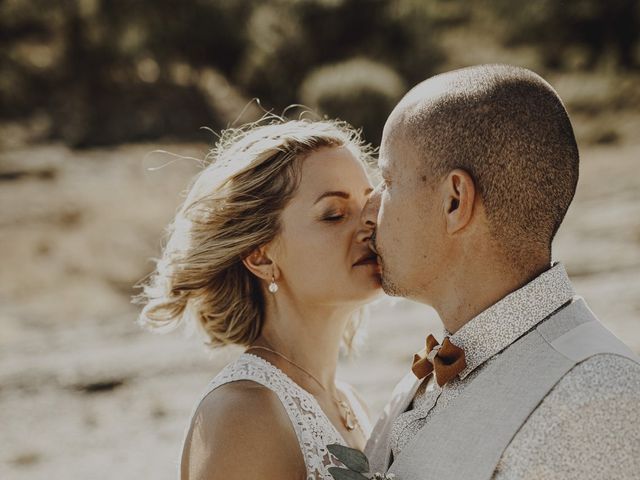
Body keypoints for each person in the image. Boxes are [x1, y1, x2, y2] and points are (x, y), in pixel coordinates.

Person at [362, 64, 640, 479]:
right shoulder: (423, 379)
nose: (369, 210)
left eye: (387, 181)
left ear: (454, 201)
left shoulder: (597, 396)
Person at [135, 118, 383, 480]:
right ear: (262, 257)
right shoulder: (244, 411)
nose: (370, 224)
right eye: (334, 214)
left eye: (371, 204)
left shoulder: (350, 402)